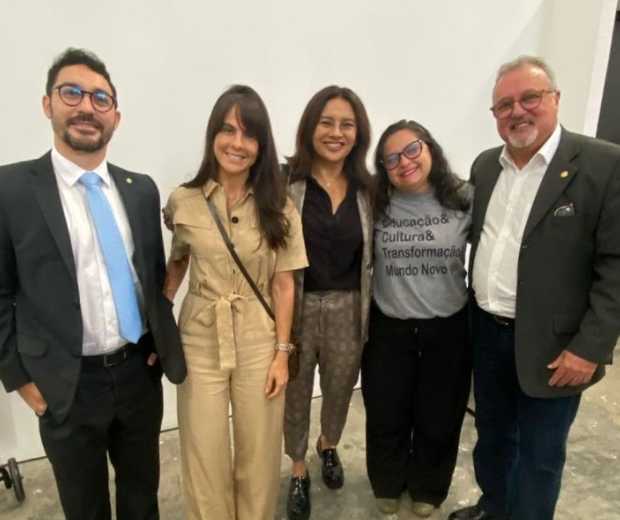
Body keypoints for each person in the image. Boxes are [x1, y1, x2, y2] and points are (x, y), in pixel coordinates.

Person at [0, 48, 186, 520]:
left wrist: (158, 343)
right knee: (84, 507)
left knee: (142, 499)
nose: (86, 106)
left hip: (136, 374)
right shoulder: (12, 190)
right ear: (48, 104)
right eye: (72, 93)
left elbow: (151, 277)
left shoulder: (139, 189)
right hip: (65, 385)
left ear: (115, 117)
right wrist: (19, 378)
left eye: (100, 98)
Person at [449, 56, 620, 520]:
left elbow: (615, 266)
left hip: (556, 348)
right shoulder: (487, 166)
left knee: (540, 456)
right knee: (493, 438)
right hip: (487, 333)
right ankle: (494, 508)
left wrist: (590, 348)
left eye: (530, 98)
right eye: (504, 105)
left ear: (555, 99)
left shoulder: (603, 164)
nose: (517, 111)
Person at [163, 85, 308, 520]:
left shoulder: (280, 206)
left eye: (249, 134)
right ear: (213, 135)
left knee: (259, 452)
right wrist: (160, 320)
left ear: (261, 146)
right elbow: (177, 261)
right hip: (200, 336)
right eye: (228, 130)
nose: (237, 143)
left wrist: (281, 354)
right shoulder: (183, 201)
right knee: (203, 451)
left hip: (259, 338)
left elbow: (284, 285)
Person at [362, 120, 472, 517]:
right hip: (389, 326)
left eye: (412, 149)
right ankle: (387, 481)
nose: (404, 162)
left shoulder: (464, 197)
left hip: (448, 326)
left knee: (440, 413)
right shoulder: (374, 202)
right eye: (391, 158)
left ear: (429, 148)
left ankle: (428, 485)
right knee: (385, 410)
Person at [283, 85, 373, 520]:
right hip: (295, 306)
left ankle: (328, 444)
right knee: (295, 393)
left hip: (348, 308)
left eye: (347, 125)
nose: (336, 133)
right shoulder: (285, 183)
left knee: (339, 389)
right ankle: (298, 467)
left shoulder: (368, 189)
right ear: (310, 127)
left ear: (358, 134)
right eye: (327, 122)